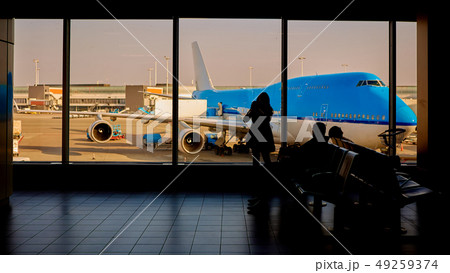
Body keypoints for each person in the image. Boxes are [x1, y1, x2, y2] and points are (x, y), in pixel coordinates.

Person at [244, 92, 275, 213]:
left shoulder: (260, 109)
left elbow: (247, 119)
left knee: (256, 161)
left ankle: (259, 194)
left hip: (257, 136)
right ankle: (261, 193)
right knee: (265, 160)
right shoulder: (268, 110)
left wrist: (253, 109)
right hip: (265, 135)